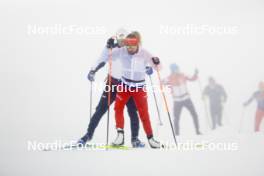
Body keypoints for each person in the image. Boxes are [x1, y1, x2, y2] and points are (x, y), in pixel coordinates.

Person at [77, 29, 151, 148]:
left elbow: (143, 59)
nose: (123, 42)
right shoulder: (112, 48)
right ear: (117, 39)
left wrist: (148, 67)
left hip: (127, 85)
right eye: (120, 40)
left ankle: (135, 139)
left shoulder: (132, 49)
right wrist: (93, 70)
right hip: (112, 83)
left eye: (125, 40)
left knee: (132, 111)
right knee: (101, 109)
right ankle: (87, 135)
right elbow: (102, 59)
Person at [102, 31, 162, 148]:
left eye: (132, 46)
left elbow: (158, 68)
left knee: (143, 113)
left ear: (137, 44)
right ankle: (120, 136)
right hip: (124, 86)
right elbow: (108, 56)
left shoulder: (144, 53)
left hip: (139, 88)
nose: (129, 48)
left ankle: (151, 139)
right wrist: (108, 47)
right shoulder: (122, 51)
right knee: (118, 108)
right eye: (127, 45)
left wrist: (157, 62)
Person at [162, 63, 202, 136]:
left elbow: (192, 78)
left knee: (194, 114)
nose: (177, 70)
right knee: (176, 118)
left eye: (177, 68)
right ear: (172, 70)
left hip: (186, 99)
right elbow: (162, 82)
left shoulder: (183, 75)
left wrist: (195, 74)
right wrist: (162, 81)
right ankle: (177, 134)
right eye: (176, 68)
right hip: (177, 101)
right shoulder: (169, 78)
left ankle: (198, 131)